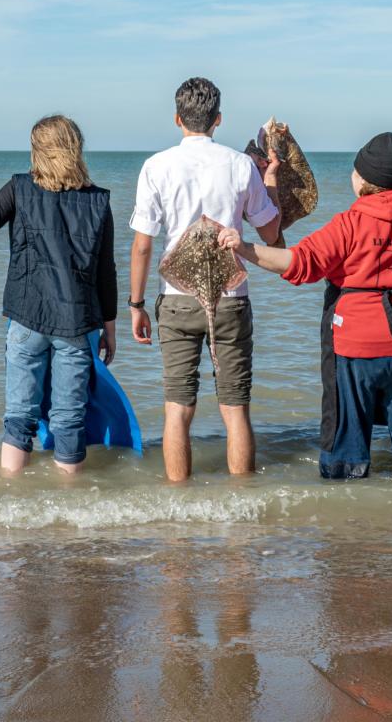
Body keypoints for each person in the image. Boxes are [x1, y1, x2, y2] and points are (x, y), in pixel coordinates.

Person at [218, 132, 392, 481]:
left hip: (355, 349)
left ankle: (345, 503)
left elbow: (297, 264)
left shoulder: (349, 224)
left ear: (363, 180)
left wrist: (243, 248)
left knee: (345, 443)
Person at [129, 77, 282, 482]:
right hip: (230, 297)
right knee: (235, 408)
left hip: (176, 298)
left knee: (178, 408)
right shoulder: (240, 165)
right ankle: (242, 506)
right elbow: (271, 233)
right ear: (218, 119)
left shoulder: (156, 166)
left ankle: (179, 506)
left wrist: (136, 304)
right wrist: (270, 179)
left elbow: (142, 246)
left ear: (177, 119)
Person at [0, 115, 117, 474]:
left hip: (27, 320)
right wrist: (110, 329)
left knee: (19, 419)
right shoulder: (99, 201)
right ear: (75, 148)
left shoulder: (20, 188)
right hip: (77, 324)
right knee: (69, 421)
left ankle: (14, 496)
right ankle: (70, 507)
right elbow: (105, 272)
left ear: (37, 151)